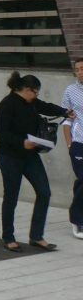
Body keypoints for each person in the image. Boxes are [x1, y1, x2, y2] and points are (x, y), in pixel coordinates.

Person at [0, 71, 70, 251]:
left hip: (30, 156)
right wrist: (22, 142)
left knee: (44, 192)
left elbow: (46, 107)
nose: (37, 96)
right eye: (35, 92)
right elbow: (2, 134)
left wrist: (65, 112)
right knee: (11, 196)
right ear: (27, 89)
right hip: (10, 156)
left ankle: (36, 236)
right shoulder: (7, 105)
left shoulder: (32, 102)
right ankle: (8, 237)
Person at [60, 57, 83, 239]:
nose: (80, 71)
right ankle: (78, 220)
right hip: (79, 143)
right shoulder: (70, 91)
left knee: (81, 182)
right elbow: (66, 119)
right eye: (78, 69)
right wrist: (69, 143)